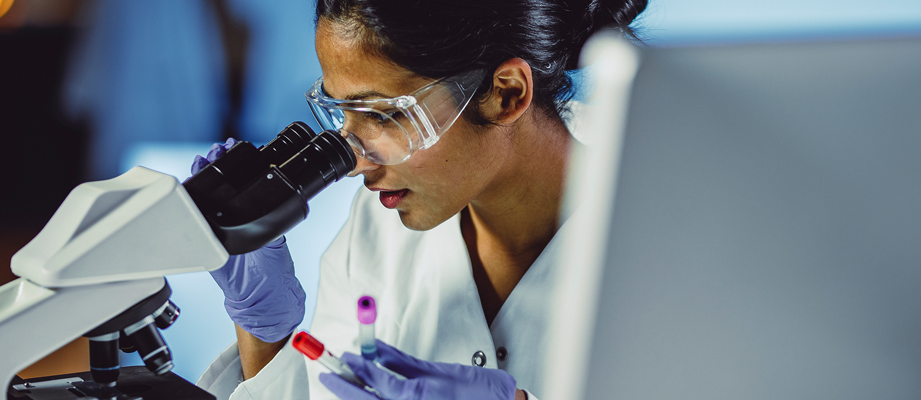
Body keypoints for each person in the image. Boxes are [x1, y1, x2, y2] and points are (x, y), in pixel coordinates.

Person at [194, 0, 647, 399]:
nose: (355, 163)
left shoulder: (672, 224)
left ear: (507, 94)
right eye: (342, 113)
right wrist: (266, 335)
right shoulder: (377, 229)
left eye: (387, 116)